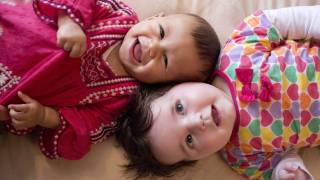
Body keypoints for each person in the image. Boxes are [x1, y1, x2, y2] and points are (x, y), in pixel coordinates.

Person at [116, 5, 320, 180]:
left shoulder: (237, 50)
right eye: (189, 140)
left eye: (179, 108)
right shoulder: (240, 156)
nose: (197, 122)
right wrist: (286, 171)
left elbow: (281, 21)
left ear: (179, 83)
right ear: (196, 158)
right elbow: (279, 161)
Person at [0, 0, 220, 160]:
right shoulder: (120, 16)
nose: (153, 48)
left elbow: (86, 128)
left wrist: (43, 115)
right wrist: (70, 22)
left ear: (160, 84)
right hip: (13, 27)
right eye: (161, 33)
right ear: (155, 18)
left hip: (12, 93)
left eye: (165, 61)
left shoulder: (121, 100)